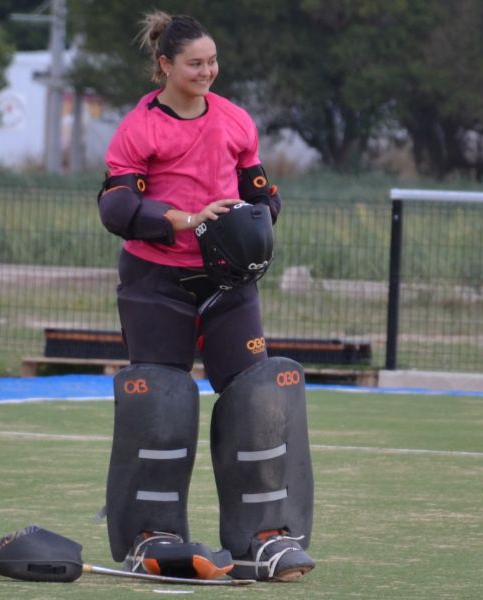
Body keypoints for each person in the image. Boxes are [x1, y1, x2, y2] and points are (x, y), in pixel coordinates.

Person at [96, 11, 315, 583]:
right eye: (195, 63)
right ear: (165, 65)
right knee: (162, 398)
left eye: (212, 61)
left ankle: (263, 537)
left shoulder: (236, 121)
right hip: (156, 280)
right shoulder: (140, 127)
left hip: (227, 283)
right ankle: (151, 533)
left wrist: (258, 220)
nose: (207, 71)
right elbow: (116, 208)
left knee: (257, 393)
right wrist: (187, 219)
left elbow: (260, 190)